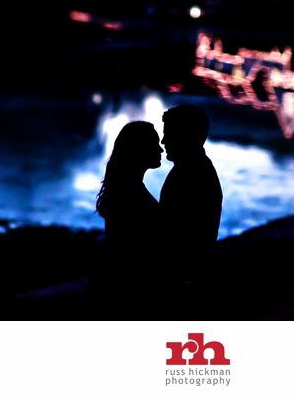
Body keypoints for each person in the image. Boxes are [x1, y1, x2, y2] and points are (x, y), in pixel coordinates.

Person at [90, 120, 164, 316]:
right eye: (154, 144)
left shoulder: (125, 187)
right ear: (138, 149)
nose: (160, 149)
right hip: (126, 290)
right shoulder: (130, 192)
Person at [158, 104, 222, 313]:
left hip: (183, 278)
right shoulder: (193, 169)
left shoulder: (191, 175)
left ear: (186, 136)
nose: (163, 142)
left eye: (169, 135)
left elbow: (181, 235)